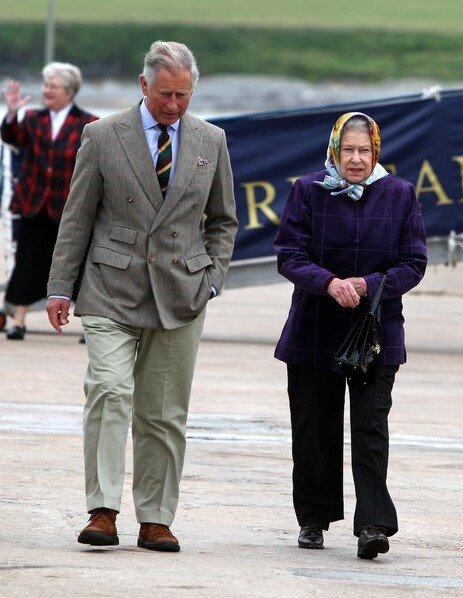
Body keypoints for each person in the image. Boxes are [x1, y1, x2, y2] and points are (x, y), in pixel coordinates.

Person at [45, 41, 238, 552]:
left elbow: (223, 220)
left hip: (181, 292)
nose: (173, 105)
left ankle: (155, 517)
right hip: (111, 286)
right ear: (143, 85)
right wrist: (61, 285)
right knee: (109, 392)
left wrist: (213, 277)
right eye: (165, 95)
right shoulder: (103, 135)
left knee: (163, 412)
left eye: (183, 95)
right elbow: (77, 216)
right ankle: (103, 511)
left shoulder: (211, 140)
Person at [273, 112, 427, 559]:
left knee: (370, 427)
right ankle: (313, 520)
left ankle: (374, 524)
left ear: (376, 151)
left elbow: (413, 263)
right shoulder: (306, 190)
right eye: (348, 151)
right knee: (314, 429)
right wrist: (328, 282)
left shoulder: (400, 194)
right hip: (314, 328)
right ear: (334, 150)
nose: (355, 160)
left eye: (364, 151)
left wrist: (368, 285)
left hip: (374, 332)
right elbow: (288, 254)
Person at [1, 63, 97, 340]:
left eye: (52, 86)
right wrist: (11, 113)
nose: (46, 91)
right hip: (35, 204)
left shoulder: (88, 123)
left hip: (70, 207)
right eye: (45, 85)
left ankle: (88, 325)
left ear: (68, 92)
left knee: (77, 265)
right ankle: (17, 321)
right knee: (28, 262)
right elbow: (11, 137)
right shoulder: (32, 118)